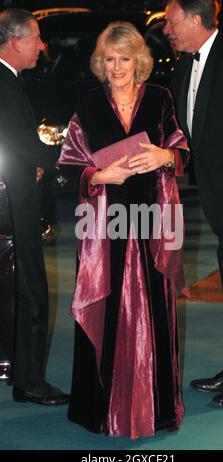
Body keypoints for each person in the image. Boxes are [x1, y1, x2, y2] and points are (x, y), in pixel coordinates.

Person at [59, 21, 189, 438]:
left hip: (151, 220)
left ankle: (156, 408)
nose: (117, 67)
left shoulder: (160, 98)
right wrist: (98, 177)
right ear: (102, 62)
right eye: (110, 59)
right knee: (107, 307)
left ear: (140, 61)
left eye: (125, 59)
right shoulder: (88, 103)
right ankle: (99, 409)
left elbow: (181, 149)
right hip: (104, 225)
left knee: (154, 309)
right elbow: (67, 167)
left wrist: (164, 158)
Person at [164, 0, 223, 408]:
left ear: (196, 19)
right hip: (221, 203)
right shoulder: (184, 66)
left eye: (171, 21)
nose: (166, 28)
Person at [0, 9, 69, 405]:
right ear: (15, 42)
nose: (42, 46)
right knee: (30, 293)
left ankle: (26, 377)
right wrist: (66, 155)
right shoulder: (5, 85)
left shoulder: (9, 82)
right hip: (13, 205)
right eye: (36, 38)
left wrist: (32, 162)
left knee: (26, 293)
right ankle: (29, 381)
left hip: (14, 195)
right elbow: (22, 145)